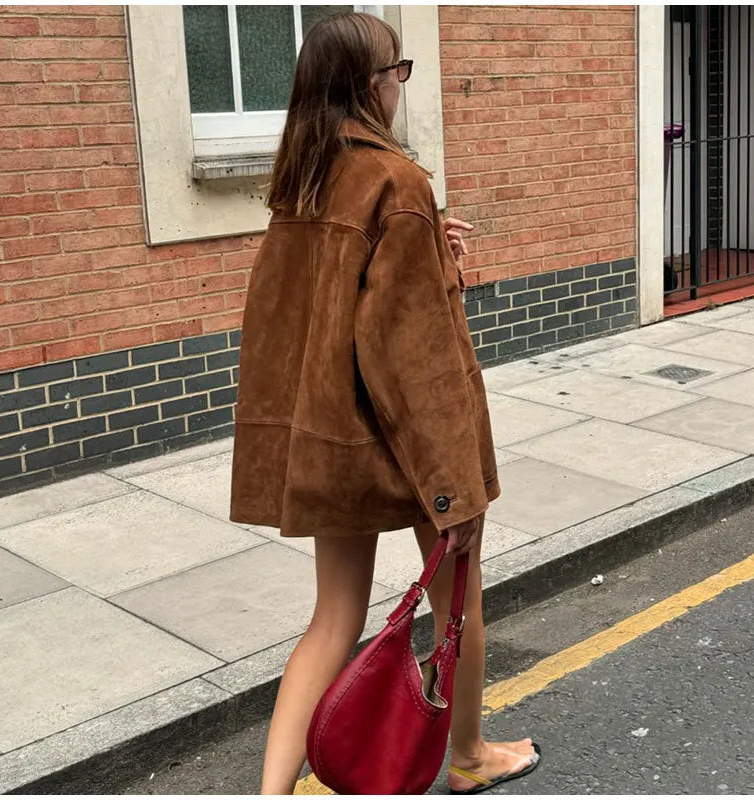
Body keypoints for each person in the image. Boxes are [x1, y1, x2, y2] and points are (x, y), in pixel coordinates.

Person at [229, 11, 539, 795]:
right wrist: (451, 488)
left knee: (332, 617)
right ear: (370, 85)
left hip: (333, 440)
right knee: (455, 603)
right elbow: (412, 358)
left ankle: (269, 794)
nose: (402, 86)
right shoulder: (396, 182)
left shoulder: (302, 177)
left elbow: (318, 316)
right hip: (403, 444)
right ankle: (466, 755)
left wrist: (437, 254)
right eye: (397, 72)